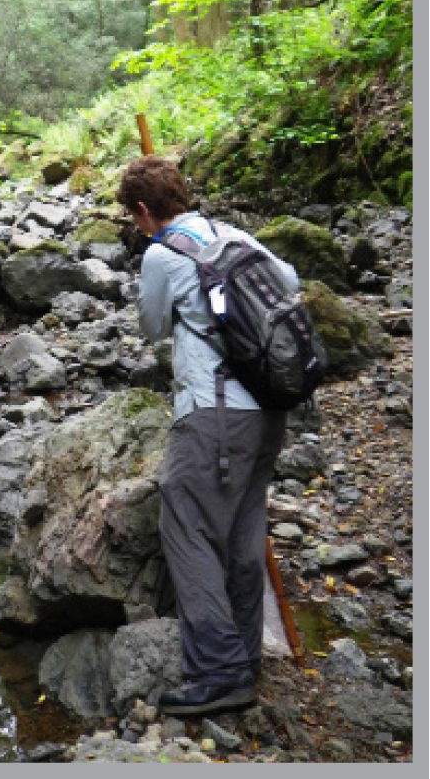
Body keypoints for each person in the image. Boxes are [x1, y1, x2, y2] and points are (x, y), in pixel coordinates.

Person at [116, 156, 298, 717]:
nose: (134, 223)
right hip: (268, 409)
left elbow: (152, 328)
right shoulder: (233, 235)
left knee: (188, 526)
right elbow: (288, 282)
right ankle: (244, 659)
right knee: (243, 531)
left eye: (132, 215)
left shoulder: (163, 254)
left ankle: (217, 671)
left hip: (212, 414)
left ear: (144, 210)